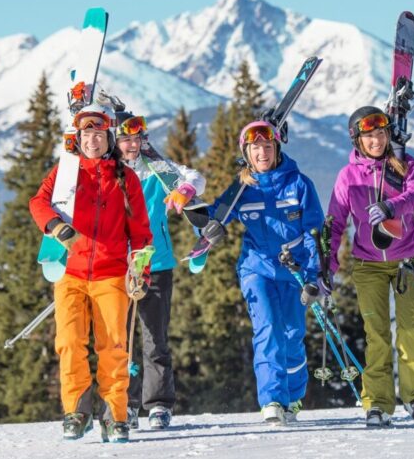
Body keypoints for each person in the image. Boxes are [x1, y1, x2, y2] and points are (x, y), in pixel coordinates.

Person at [29, 102, 153, 443]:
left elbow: (141, 234)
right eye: (87, 134)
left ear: (108, 138)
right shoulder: (66, 173)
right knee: (69, 342)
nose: (92, 140)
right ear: (78, 138)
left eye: (99, 134)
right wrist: (55, 226)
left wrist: (141, 270)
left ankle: (115, 416)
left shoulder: (125, 178)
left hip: (111, 274)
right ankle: (77, 412)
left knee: (113, 346)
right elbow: (38, 203)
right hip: (70, 272)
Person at [198, 120, 324, 425]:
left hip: (294, 270)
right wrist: (201, 222)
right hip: (257, 268)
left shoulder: (299, 184)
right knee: (267, 328)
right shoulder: (242, 188)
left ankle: (293, 397)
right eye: (255, 148)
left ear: (277, 148)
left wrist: (313, 276)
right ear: (246, 153)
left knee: (292, 335)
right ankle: (272, 400)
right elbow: (215, 216)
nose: (262, 153)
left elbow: (315, 233)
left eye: (267, 146)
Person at [327, 106, 414, 428]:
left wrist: (390, 206)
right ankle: (378, 404)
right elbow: (335, 224)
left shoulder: (403, 163)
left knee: (411, 331)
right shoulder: (348, 177)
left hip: (408, 260)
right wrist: (327, 267)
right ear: (357, 140)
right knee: (377, 335)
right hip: (368, 264)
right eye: (369, 135)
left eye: (381, 133)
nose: (377, 140)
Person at [113, 107, 206, 431]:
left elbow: (196, 178)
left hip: (157, 263)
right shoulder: (108, 173)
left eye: (137, 139)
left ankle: (158, 405)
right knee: (120, 341)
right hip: (118, 266)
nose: (132, 146)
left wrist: (185, 190)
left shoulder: (157, 169)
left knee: (155, 338)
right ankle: (125, 403)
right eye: (125, 140)